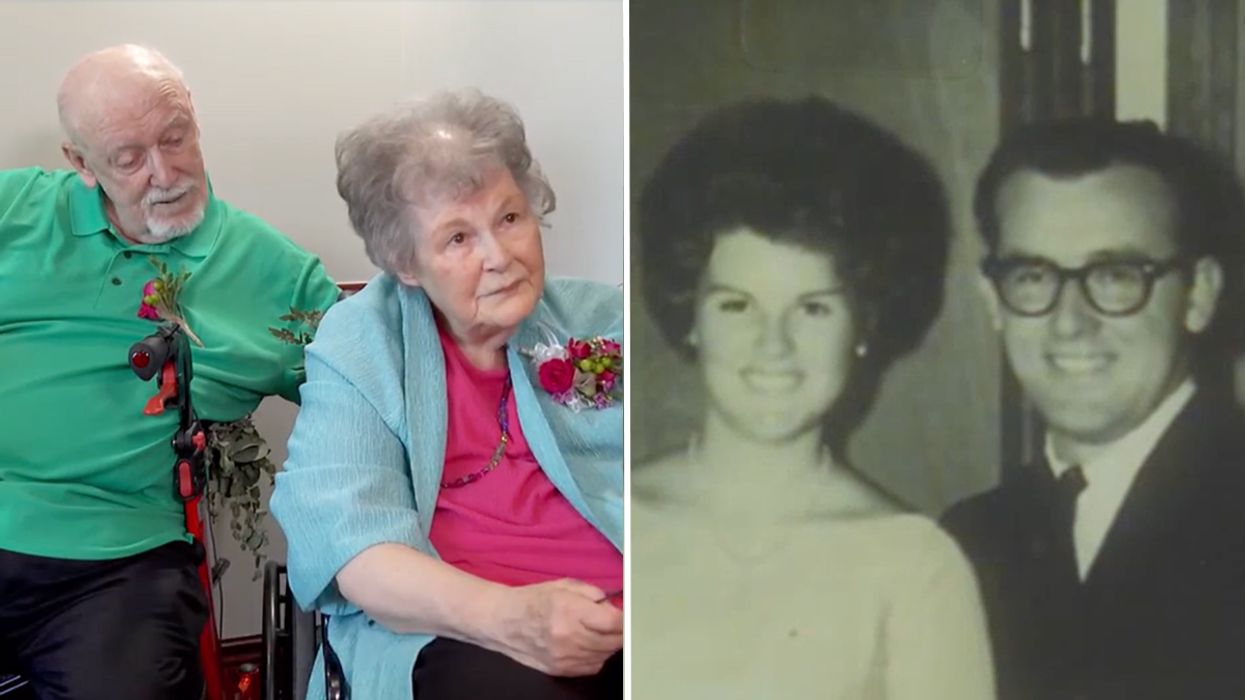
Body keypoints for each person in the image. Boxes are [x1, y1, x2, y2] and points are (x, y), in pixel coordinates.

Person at [0, 45, 341, 700]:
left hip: (112, 565)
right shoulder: (16, 211)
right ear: (80, 164)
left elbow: (372, 391)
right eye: (129, 158)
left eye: (175, 137)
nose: (165, 172)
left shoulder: (273, 274)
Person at [629, 95, 996, 699]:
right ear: (689, 315)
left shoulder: (916, 565)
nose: (774, 345)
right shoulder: (609, 522)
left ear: (862, 328)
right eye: (737, 304)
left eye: (814, 307)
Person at [268, 88, 625, 700]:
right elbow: (352, 545)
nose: (499, 257)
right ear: (405, 262)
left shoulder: (601, 319)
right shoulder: (364, 343)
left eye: (509, 218)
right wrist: (513, 621)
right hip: (463, 634)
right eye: (458, 239)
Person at [941, 118, 1245, 700]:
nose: (1071, 322)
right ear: (994, 302)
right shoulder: (970, 541)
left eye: (1115, 276)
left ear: (1199, 295)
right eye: (1033, 276)